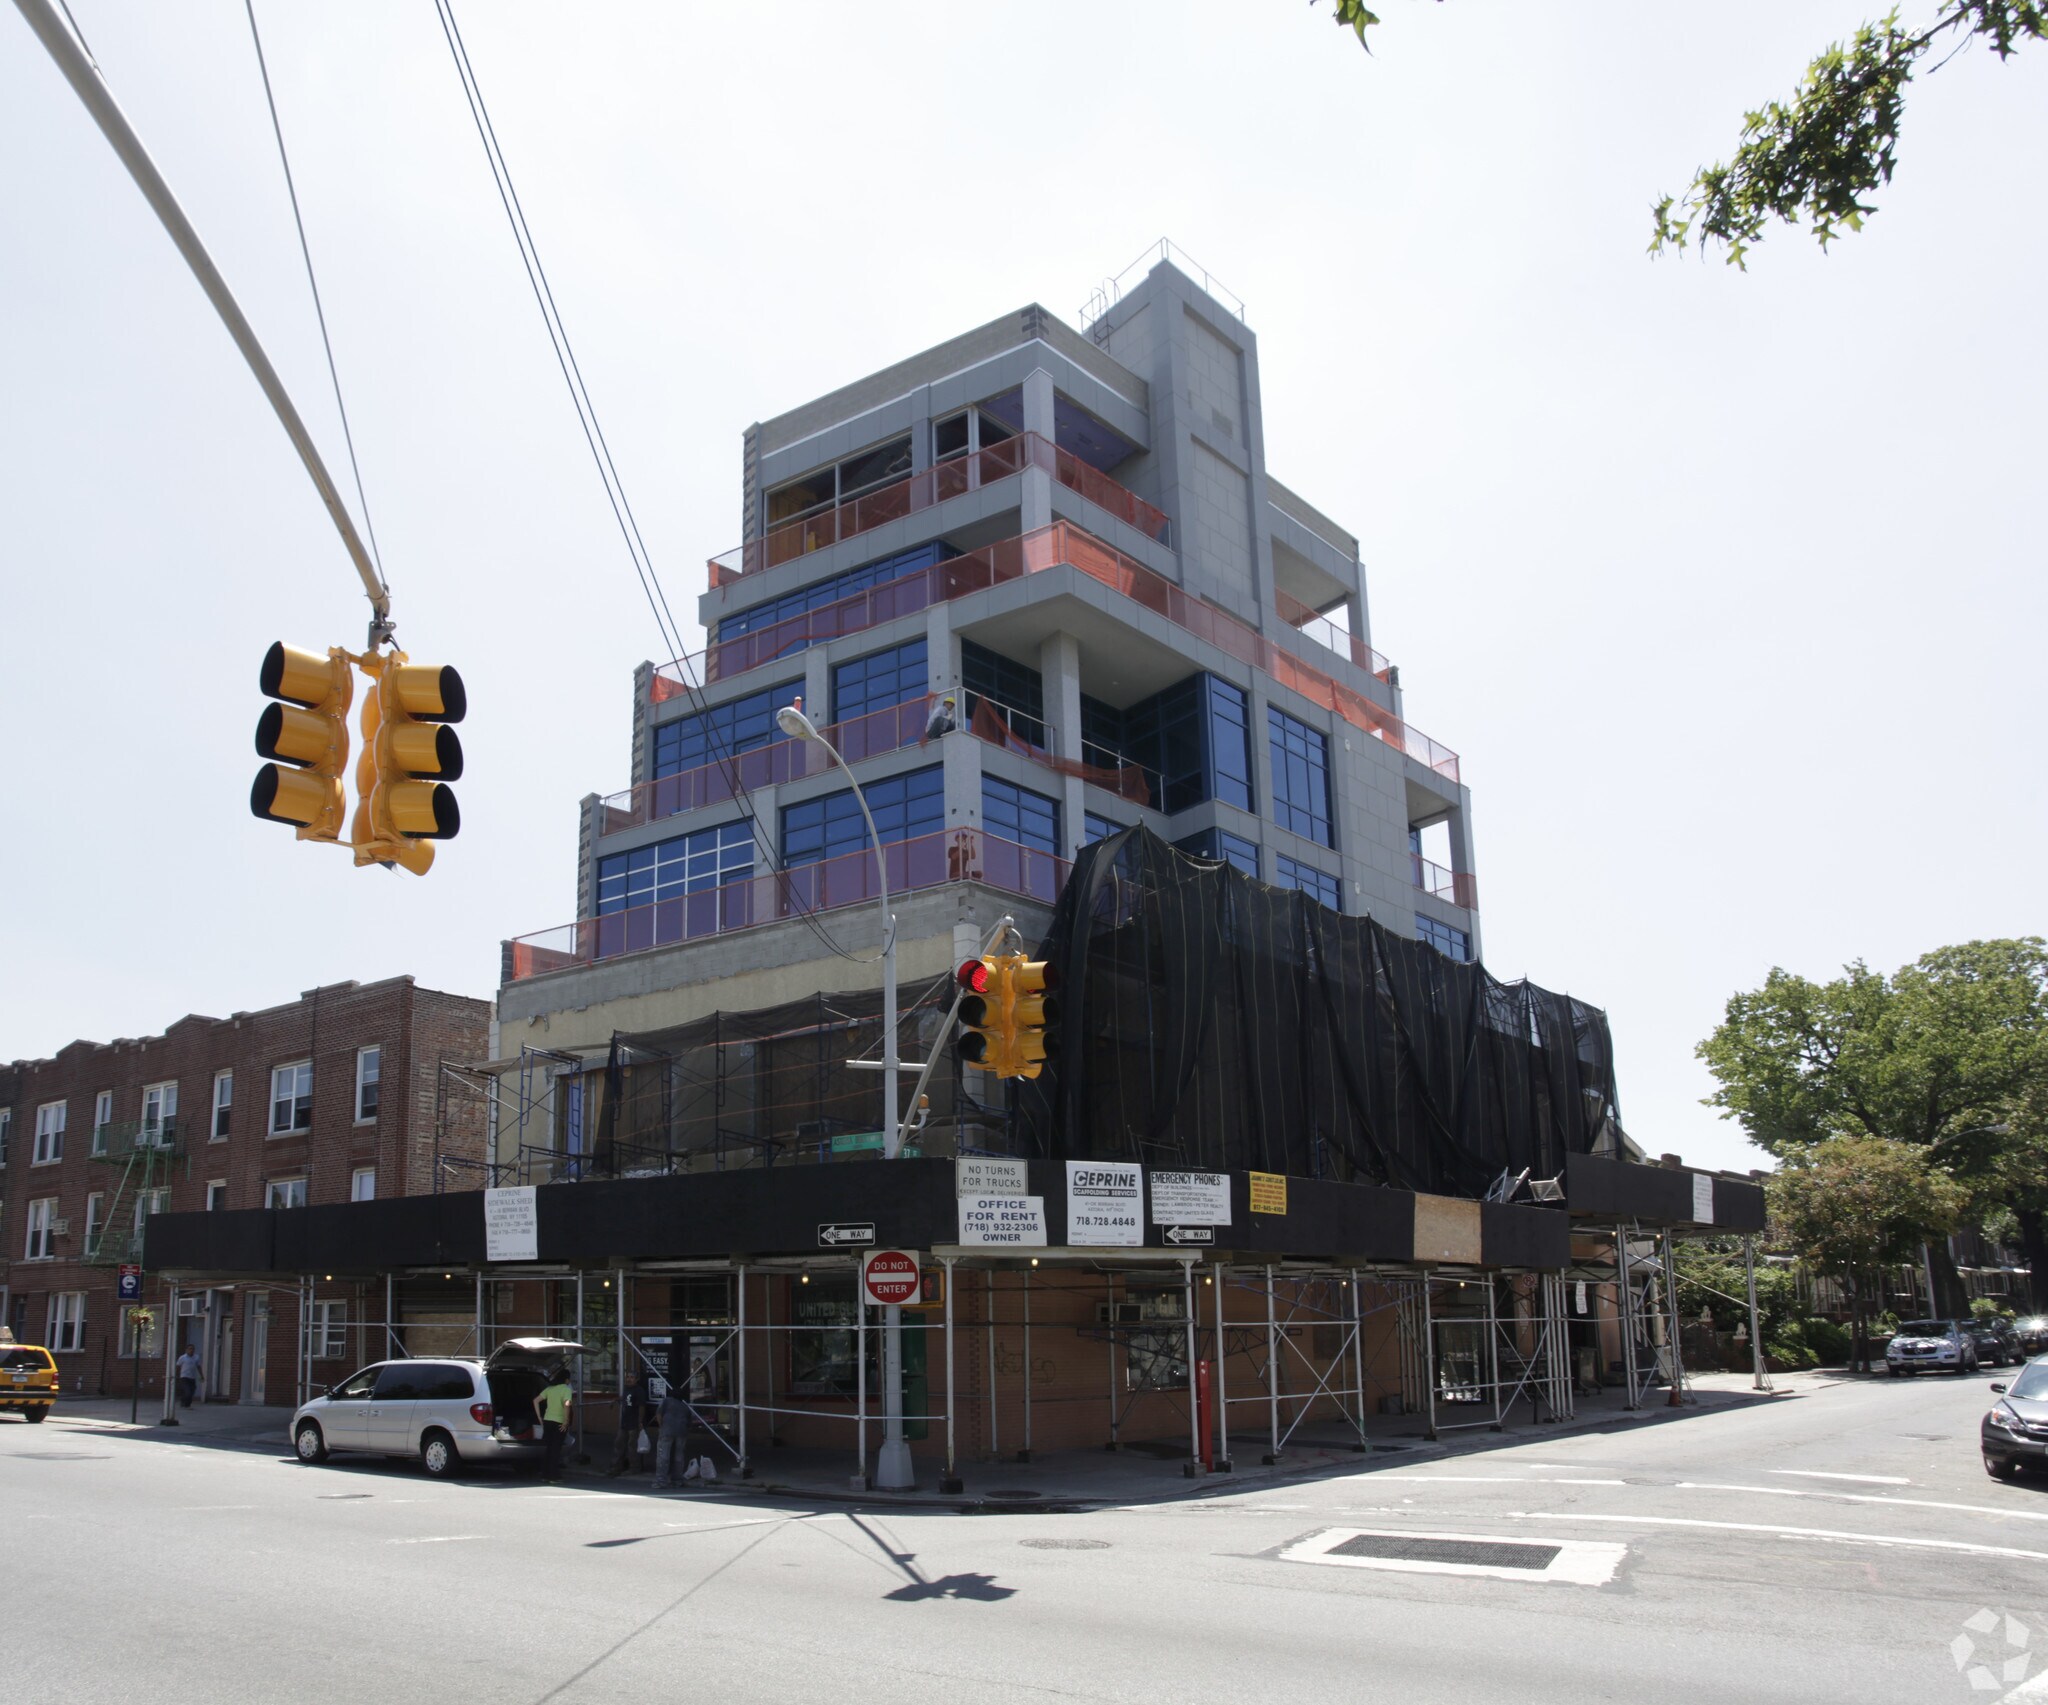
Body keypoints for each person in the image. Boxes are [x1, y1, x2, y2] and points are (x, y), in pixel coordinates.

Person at [608, 1369, 653, 1477]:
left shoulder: (639, 1391)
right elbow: (625, 1398)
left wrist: (640, 1421)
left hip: (634, 1422)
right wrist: (615, 1399)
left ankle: (634, 1467)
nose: (629, 1379)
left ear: (636, 1379)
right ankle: (617, 1466)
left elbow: (642, 1406)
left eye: (632, 1377)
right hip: (625, 1422)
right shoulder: (626, 1389)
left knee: (632, 1446)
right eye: (628, 1377)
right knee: (619, 1443)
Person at [650, 1380, 693, 1491]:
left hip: (667, 1430)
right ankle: (677, 1480)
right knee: (679, 1456)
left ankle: (661, 1481)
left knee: (663, 1456)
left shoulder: (666, 1401)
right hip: (682, 1431)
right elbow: (689, 1423)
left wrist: (661, 1426)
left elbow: (659, 1414)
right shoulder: (685, 1407)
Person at [536, 1365, 574, 1482]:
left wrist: (539, 1417)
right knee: (556, 1449)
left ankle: (545, 1474)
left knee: (549, 1448)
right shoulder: (566, 1390)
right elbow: (567, 1404)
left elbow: (535, 1400)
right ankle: (553, 1476)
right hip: (559, 1422)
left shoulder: (550, 1389)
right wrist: (566, 1421)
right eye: (569, 1379)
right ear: (566, 1379)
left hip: (547, 1421)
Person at [175, 1345, 200, 1409]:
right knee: (187, 1391)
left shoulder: (196, 1357)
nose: (191, 1350)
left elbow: (198, 1366)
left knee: (192, 1391)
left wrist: (201, 1375)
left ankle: (186, 1402)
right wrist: (176, 1375)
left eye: (193, 1349)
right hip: (184, 1377)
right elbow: (178, 1366)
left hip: (192, 1377)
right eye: (190, 1349)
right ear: (186, 1350)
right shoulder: (182, 1358)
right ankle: (186, 1404)